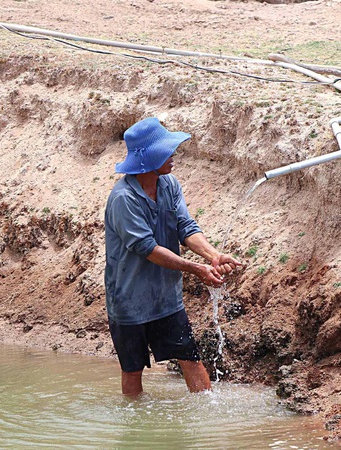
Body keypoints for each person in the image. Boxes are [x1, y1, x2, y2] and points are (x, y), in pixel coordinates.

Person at [104, 117, 242, 396]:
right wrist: (197, 269)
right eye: (167, 150)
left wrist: (213, 256)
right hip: (129, 302)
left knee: (190, 357)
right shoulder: (123, 199)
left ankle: (205, 409)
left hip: (166, 299)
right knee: (132, 368)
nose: (174, 155)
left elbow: (185, 227)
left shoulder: (169, 185)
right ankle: (136, 428)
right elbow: (148, 249)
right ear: (148, 158)